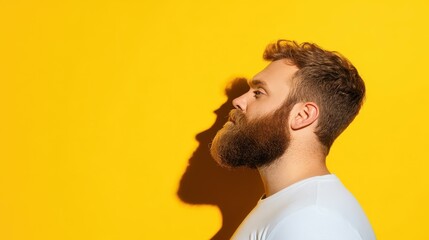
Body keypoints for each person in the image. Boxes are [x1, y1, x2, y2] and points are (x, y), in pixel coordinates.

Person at [210, 40, 376, 240]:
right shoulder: (298, 209)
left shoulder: (314, 221)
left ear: (302, 115)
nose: (238, 101)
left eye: (258, 93)